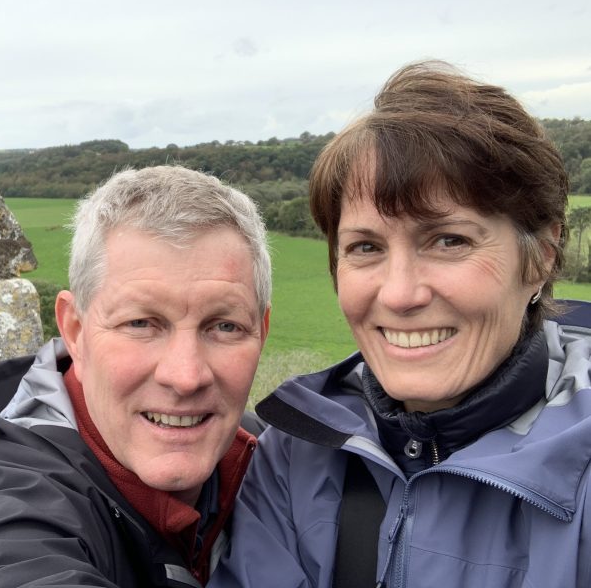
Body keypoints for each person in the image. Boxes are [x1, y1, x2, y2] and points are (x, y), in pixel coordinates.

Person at [209, 61, 591, 588]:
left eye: (449, 241)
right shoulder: (297, 456)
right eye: (366, 247)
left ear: (542, 257)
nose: (400, 294)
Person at [0, 165, 271, 587]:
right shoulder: (5, 499)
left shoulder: (271, 457)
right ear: (76, 333)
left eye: (224, 326)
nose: (187, 376)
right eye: (141, 323)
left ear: (261, 333)